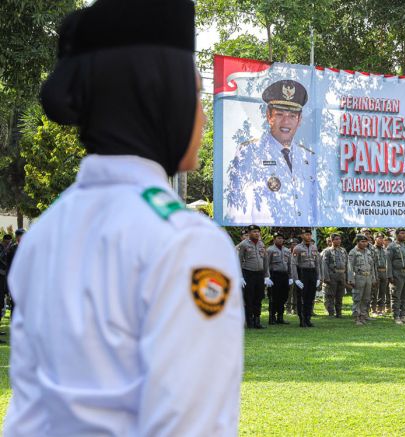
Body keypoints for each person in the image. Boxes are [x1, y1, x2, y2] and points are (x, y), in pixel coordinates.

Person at [4, 0, 245, 433]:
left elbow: (29, 409)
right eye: (195, 95)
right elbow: (188, 425)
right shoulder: (186, 241)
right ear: (161, 97)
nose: (204, 117)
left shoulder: (46, 232)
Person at [226, 79, 316, 226]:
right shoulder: (249, 151)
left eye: (292, 116)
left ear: (299, 120)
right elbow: (238, 204)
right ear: (269, 116)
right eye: (280, 114)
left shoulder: (309, 157)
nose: (286, 122)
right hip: (266, 234)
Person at [238, 224, 271, 329]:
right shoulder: (243, 244)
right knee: (249, 298)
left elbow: (265, 260)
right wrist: (240, 276)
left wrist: (266, 275)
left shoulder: (262, 244)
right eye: (254, 232)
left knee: (259, 297)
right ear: (249, 233)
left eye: (258, 232)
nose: (256, 233)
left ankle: (257, 320)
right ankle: (249, 321)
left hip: (259, 274)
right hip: (248, 273)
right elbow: (238, 261)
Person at [292, 229, 321, 326]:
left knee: (310, 297)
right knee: (302, 297)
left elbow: (317, 263)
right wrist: (296, 279)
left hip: (312, 273)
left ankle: (308, 318)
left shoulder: (314, 247)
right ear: (302, 236)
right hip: (302, 272)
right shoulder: (297, 248)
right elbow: (293, 264)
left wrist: (318, 277)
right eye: (306, 234)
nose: (308, 236)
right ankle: (302, 319)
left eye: (309, 234)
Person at [387, 228, 405, 324]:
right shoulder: (392, 246)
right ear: (397, 235)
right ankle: (396, 316)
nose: (404, 235)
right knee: (396, 296)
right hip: (397, 274)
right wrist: (390, 276)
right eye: (402, 233)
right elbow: (388, 262)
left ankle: (403, 315)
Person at [347, 235, 376, 325]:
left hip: (368, 277)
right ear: (357, 242)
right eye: (362, 242)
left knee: (366, 298)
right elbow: (350, 267)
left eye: (366, 242)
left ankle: (363, 316)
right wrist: (351, 279)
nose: (365, 243)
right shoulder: (353, 252)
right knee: (357, 298)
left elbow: (372, 266)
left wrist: (373, 277)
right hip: (359, 277)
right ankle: (357, 318)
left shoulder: (368, 251)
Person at [267, 232, 293, 325]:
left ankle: (280, 317)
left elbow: (289, 264)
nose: (280, 240)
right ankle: (272, 317)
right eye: (278, 238)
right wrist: (267, 277)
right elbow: (266, 264)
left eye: (282, 238)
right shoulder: (270, 250)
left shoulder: (287, 250)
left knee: (283, 297)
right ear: (274, 239)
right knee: (274, 297)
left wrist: (290, 277)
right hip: (274, 275)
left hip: (284, 275)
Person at [322, 233, 348, 318]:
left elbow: (347, 263)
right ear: (332, 240)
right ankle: (331, 313)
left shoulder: (343, 250)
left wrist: (347, 276)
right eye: (336, 239)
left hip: (342, 274)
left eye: (339, 239)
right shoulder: (327, 251)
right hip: (332, 274)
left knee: (340, 295)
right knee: (330, 295)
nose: (338, 241)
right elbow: (324, 265)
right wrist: (326, 277)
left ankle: (339, 312)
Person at [372, 233, 390, 315]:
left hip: (384, 272)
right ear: (375, 239)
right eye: (379, 238)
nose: (381, 240)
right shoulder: (371, 249)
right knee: (374, 292)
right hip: (376, 271)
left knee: (382, 292)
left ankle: (380, 309)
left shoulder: (384, 250)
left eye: (382, 238)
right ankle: (373, 309)